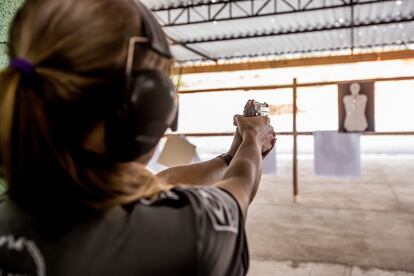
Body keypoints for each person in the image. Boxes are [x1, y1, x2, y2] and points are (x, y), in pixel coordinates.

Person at [0, 0, 275, 275]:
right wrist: (252, 137)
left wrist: (231, 155)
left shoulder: (15, 207)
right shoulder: (190, 237)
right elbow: (239, 190)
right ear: (142, 104)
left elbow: (157, 182)